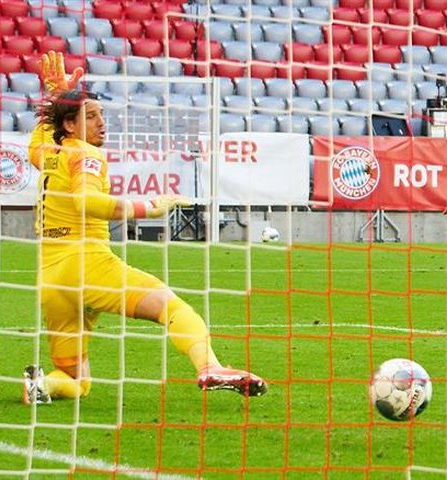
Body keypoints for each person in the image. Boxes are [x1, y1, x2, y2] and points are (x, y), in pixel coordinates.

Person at [23, 52, 267, 404]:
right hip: (87, 265)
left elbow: (42, 138)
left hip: (52, 279)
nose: (101, 123)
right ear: (71, 126)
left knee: (77, 381)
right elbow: (86, 202)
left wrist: (55, 96)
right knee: (174, 308)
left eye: (101, 115)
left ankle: (41, 386)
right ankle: (210, 366)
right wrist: (147, 206)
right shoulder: (86, 155)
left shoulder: (49, 152)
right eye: (90, 116)